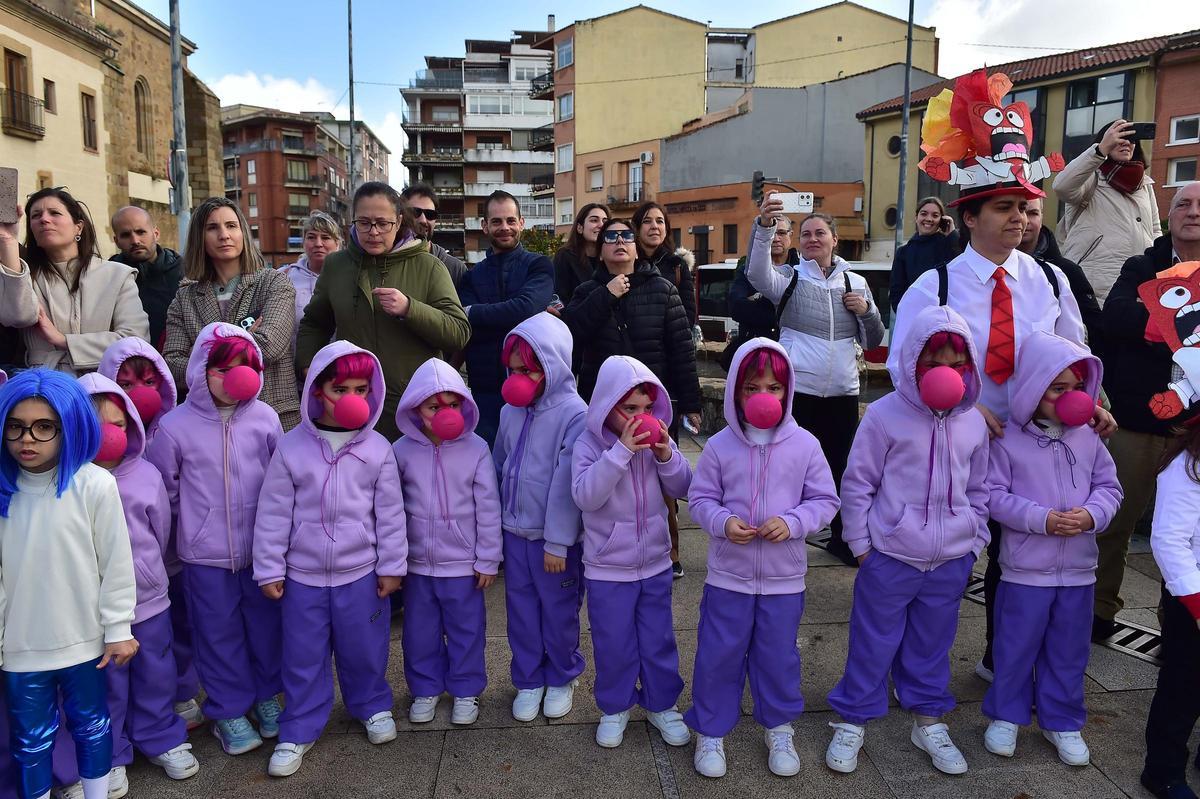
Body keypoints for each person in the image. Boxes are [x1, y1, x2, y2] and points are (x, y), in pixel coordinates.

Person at [894, 66, 1115, 679]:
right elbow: (900, 365)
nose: (1020, 218)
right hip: (954, 438)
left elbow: (1074, 354)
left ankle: (1003, 659)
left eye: (1025, 206)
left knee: (1019, 554)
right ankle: (913, 659)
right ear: (970, 215)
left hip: (1030, 442)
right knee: (941, 551)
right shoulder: (934, 283)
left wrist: (1091, 401)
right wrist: (965, 408)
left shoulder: (1048, 279)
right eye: (1004, 207)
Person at [826, 306, 989, 776]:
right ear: (915, 362)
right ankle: (854, 716)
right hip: (890, 556)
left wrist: (973, 539)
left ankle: (927, 716)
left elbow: (978, 487)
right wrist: (861, 545)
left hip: (951, 558)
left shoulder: (973, 422)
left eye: (957, 364)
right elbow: (857, 484)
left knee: (933, 641)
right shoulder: (883, 416)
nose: (947, 372)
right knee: (873, 640)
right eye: (935, 361)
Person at [686, 339, 839, 779]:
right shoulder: (718, 446)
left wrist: (792, 522)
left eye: (774, 387)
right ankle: (711, 730)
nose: (764, 396)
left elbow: (826, 499)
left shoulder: (806, 445)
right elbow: (700, 498)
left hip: (783, 580)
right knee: (718, 654)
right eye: (753, 387)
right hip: (728, 578)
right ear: (736, 390)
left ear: (787, 392)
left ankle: (778, 726)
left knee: (778, 657)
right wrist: (721, 522)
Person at [253, 342, 407, 777]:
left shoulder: (378, 448)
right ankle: (299, 725)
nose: (353, 397)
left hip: (361, 575)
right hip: (302, 578)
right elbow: (273, 512)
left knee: (365, 648)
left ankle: (371, 704)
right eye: (342, 388)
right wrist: (269, 566)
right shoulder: (291, 448)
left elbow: (391, 514)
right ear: (318, 390)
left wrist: (393, 566)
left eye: (361, 388)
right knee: (302, 655)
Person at [982, 333, 1122, 767]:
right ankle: (1006, 714)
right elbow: (993, 495)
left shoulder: (1089, 439)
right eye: (1057, 388)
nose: (1069, 397)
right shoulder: (1007, 441)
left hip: (1079, 571)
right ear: (1032, 389)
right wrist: (1038, 518)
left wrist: (1092, 515)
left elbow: (1109, 488)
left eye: (1076, 388)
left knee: (1069, 648)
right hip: (1025, 570)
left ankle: (1063, 720)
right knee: (1015, 645)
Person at [146, 323, 284, 758]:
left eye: (245, 365)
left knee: (265, 629)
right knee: (217, 634)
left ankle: (266, 696)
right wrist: (178, 543)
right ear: (202, 369)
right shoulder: (174, 427)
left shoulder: (265, 418)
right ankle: (227, 709)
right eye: (223, 367)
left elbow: (282, 484)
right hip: (204, 557)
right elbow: (164, 491)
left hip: (261, 554)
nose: (235, 376)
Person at [0, 368, 138, 799]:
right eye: (17, 427)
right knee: (30, 739)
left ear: (70, 426)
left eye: (44, 427)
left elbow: (115, 563)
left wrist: (118, 628)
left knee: (93, 725)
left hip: (84, 642)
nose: (28, 439)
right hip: (21, 648)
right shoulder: (4, 493)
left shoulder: (95, 485)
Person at [78, 374, 200, 793]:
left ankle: (160, 736)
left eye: (119, 423)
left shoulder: (146, 474)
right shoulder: (71, 483)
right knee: (107, 683)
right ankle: (110, 752)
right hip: (94, 612)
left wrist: (155, 576)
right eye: (98, 426)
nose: (111, 435)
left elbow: (161, 528)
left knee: (156, 673)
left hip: (149, 601)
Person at [748, 198, 886, 566]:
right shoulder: (790, 278)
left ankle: (842, 538)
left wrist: (868, 311)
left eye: (819, 232)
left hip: (842, 391)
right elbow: (756, 274)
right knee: (788, 465)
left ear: (834, 239)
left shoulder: (856, 282)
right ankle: (781, 532)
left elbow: (874, 340)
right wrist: (763, 227)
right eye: (805, 233)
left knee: (843, 468)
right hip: (800, 392)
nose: (812, 239)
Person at [562, 218, 702, 577]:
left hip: (651, 404)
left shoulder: (662, 288)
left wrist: (690, 403)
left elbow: (681, 349)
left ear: (636, 246)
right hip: (607, 410)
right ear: (601, 246)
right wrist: (606, 294)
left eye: (627, 235)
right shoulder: (587, 291)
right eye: (611, 236)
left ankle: (668, 553)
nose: (620, 241)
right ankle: (609, 547)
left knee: (662, 485)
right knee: (610, 482)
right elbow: (572, 334)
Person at [1094, 182, 1200, 642]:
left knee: (1187, 536)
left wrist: (1154, 316)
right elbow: (1115, 318)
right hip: (1139, 420)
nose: (1193, 212)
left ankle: (1176, 621)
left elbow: (1140, 321)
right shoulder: (1142, 264)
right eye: (1184, 204)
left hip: (1196, 430)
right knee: (1115, 523)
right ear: (1168, 214)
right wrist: (1180, 325)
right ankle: (1098, 610)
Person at [572, 355, 692, 749]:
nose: (640, 417)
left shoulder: (658, 438)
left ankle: (662, 704)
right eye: (629, 409)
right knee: (614, 642)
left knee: (658, 639)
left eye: (646, 408)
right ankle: (615, 705)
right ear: (608, 406)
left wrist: (666, 455)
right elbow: (586, 496)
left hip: (655, 562)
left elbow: (683, 486)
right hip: (608, 568)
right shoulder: (589, 444)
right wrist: (620, 453)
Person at [297, 182, 471, 442]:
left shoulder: (429, 266)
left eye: (382, 223)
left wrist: (410, 309)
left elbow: (459, 332)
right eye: (364, 222)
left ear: (399, 221)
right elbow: (315, 322)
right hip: (351, 403)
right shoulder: (337, 265)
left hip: (412, 407)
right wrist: (308, 365)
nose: (373, 232)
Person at [96, 338, 204, 732]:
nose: (139, 393)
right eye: (125, 383)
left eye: (147, 381)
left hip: (176, 551)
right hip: (137, 567)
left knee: (178, 628)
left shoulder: (175, 427)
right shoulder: (104, 448)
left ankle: (181, 690)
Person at [392, 358, 501, 727]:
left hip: (463, 564)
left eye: (453, 405)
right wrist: (395, 562)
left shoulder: (476, 448)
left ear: (464, 405)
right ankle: (424, 688)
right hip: (418, 564)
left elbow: (488, 508)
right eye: (433, 406)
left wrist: (488, 558)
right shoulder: (402, 451)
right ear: (415, 409)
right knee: (418, 632)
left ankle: (466, 688)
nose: (444, 413)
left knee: (467, 630)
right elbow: (391, 509)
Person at [493, 313, 588, 723]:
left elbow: (569, 484)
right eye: (512, 370)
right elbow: (498, 466)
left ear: (552, 365)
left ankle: (564, 674)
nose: (517, 378)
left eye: (527, 370)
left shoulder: (574, 414)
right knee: (521, 611)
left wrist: (558, 541)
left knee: (559, 611)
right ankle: (529, 678)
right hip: (515, 534)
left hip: (554, 543)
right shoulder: (510, 411)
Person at [164, 197, 299, 429]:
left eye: (231, 226)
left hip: (273, 417)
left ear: (243, 232)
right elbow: (172, 364)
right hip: (209, 423)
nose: (224, 235)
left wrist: (202, 351)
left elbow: (270, 347)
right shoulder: (184, 298)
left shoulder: (274, 283)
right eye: (212, 228)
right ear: (200, 238)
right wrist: (245, 339)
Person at [0, 188, 149, 374]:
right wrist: (7, 240)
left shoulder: (118, 275)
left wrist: (64, 341)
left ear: (78, 227)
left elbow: (136, 340)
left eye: (55, 213)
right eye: (35, 216)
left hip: (106, 384)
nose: (44, 219)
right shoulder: (24, 275)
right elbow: (18, 317)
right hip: (45, 385)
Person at [457, 190, 554, 446]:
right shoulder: (471, 277)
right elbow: (468, 326)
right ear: (485, 226)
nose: (505, 228)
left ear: (521, 223)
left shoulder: (539, 265)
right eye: (497, 221)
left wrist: (475, 312)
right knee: (487, 472)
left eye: (511, 220)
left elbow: (525, 308)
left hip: (535, 390)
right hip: (486, 392)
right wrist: (508, 314)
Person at [1142, 413, 1200, 799]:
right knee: (1184, 686)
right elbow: (1169, 538)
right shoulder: (1187, 467)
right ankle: (1163, 769)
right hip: (1192, 597)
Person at [1054, 119, 1161, 302]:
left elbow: (1155, 230)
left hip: (1138, 284)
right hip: (1093, 284)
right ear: (1106, 140)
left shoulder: (1145, 184)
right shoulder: (1089, 177)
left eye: (1132, 139)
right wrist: (1100, 150)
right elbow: (1061, 187)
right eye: (1120, 138)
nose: (1127, 143)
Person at [1017, 197, 1104, 357]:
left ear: (1042, 217)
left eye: (1033, 213)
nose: (1024, 220)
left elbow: (1095, 332)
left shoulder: (1065, 272)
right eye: (1020, 211)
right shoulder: (960, 272)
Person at [110, 205, 182, 350]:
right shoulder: (109, 276)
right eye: (125, 235)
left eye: (141, 232)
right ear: (116, 240)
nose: (135, 240)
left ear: (156, 233)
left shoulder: (183, 271)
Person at [279, 211, 342, 347]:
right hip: (292, 364)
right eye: (311, 237)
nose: (318, 244)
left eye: (325, 237)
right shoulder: (283, 276)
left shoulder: (349, 278)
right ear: (304, 241)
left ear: (337, 243)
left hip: (337, 362)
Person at [890, 197, 961, 312]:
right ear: (916, 217)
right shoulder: (903, 252)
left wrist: (952, 234)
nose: (929, 219)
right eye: (924, 214)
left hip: (945, 319)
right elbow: (896, 293)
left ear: (942, 220)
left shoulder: (949, 246)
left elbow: (963, 271)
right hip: (913, 319)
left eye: (935, 215)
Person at [633, 202, 697, 329]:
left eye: (660, 221)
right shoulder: (627, 263)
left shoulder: (678, 266)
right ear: (636, 228)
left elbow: (688, 314)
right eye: (647, 221)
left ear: (666, 229)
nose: (654, 226)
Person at [402, 183, 467, 287]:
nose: (423, 220)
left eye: (430, 214)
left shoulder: (455, 269)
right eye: (415, 212)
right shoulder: (387, 263)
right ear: (400, 216)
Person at [553, 203, 609, 307]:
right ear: (580, 228)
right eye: (594, 220)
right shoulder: (565, 256)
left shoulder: (611, 257)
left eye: (605, 221)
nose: (601, 225)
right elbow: (560, 296)